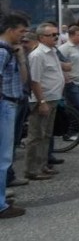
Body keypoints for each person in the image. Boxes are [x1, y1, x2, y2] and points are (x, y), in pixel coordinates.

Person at [26, 23, 65, 180]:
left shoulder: (52, 52)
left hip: (53, 98)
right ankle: (32, 170)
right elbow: (35, 81)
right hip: (43, 99)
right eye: (52, 35)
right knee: (36, 135)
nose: (56, 37)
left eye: (56, 34)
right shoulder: (37, 55)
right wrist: (41, 101)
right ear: (41, 37)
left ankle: (42, 165)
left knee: (47, 135)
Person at [0, 13, 29, 218]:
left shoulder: (10, 50)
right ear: (10, 30)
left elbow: (24, 79)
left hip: (11, 103)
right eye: (21, 31)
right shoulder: (2, 52)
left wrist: (20, 57)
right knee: (3, 158)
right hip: (5, 105)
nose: (23, 35)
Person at [58, 26, 79, 120]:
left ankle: (76, 128)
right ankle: (72, 129)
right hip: (72, 83)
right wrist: (66, 78)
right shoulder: (64, 48)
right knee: (78, 107)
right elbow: (59, 64)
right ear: (71, 36)